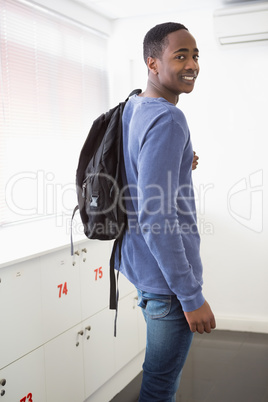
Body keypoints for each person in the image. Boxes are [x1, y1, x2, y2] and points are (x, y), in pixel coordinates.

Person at [115, 22, 216, 401]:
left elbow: (131, 167)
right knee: (159, 387)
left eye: (195, 56)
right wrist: (191, 296)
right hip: (169, 286)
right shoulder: (169, 118)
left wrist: (178, 160)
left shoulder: (133, 107)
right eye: (180, 55)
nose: (192, 64)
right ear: (152, 63)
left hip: (141, 268)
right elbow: (157, 216)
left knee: (156, 380)